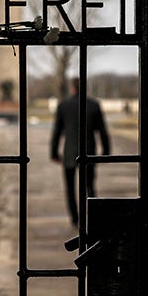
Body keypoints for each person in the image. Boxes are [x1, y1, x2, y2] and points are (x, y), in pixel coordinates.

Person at [50, 77, 110, 227]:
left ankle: (75, 218)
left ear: (72, 88)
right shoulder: (93, 105)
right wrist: (106, 151)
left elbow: (57, 131)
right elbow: (102, 131)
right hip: (88, 151)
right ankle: (92, 217)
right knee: (89, 186)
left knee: (70, 188)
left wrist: (54, 153)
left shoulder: (64, 105)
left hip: (69, 151)